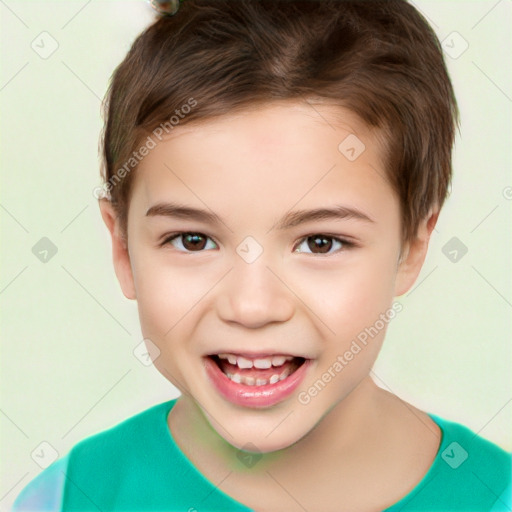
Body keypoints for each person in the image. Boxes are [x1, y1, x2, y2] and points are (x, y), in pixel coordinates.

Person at [11, 0, 511, 510]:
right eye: (193, 240)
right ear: (122, 248)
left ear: (412, 246)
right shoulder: (70, 498)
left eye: (321, 243)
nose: (251, 307)